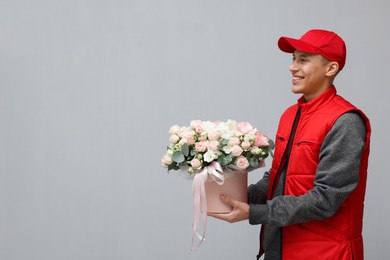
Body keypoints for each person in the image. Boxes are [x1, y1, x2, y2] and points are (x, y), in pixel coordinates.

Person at [208, 29, 371, 260]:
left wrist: (254, 212)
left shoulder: (345, 121)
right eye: (293, 59)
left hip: (325, 252)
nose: (292, 67)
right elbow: (278, 177)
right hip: (280, 247)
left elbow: (326, 199)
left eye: (303, 60)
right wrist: (237, 196)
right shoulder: (291, 114)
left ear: (330, 68)